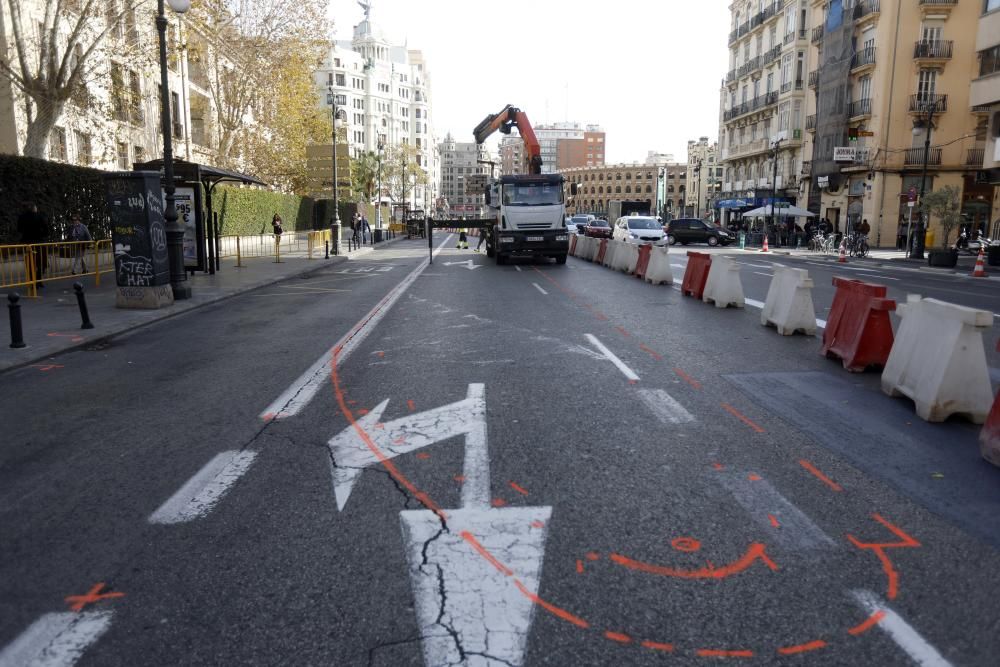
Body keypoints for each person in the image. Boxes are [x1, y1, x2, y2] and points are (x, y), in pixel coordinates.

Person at [17, 202, 50, 287]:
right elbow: (46, 229)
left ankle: (32, 282)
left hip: (27, 243)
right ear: (35, 208)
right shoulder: (40, 216)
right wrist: (43, 235)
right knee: (41, 262)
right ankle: (39, 280)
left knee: (30, 262)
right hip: (39, 242)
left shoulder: (21, 217)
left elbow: (19, 230)